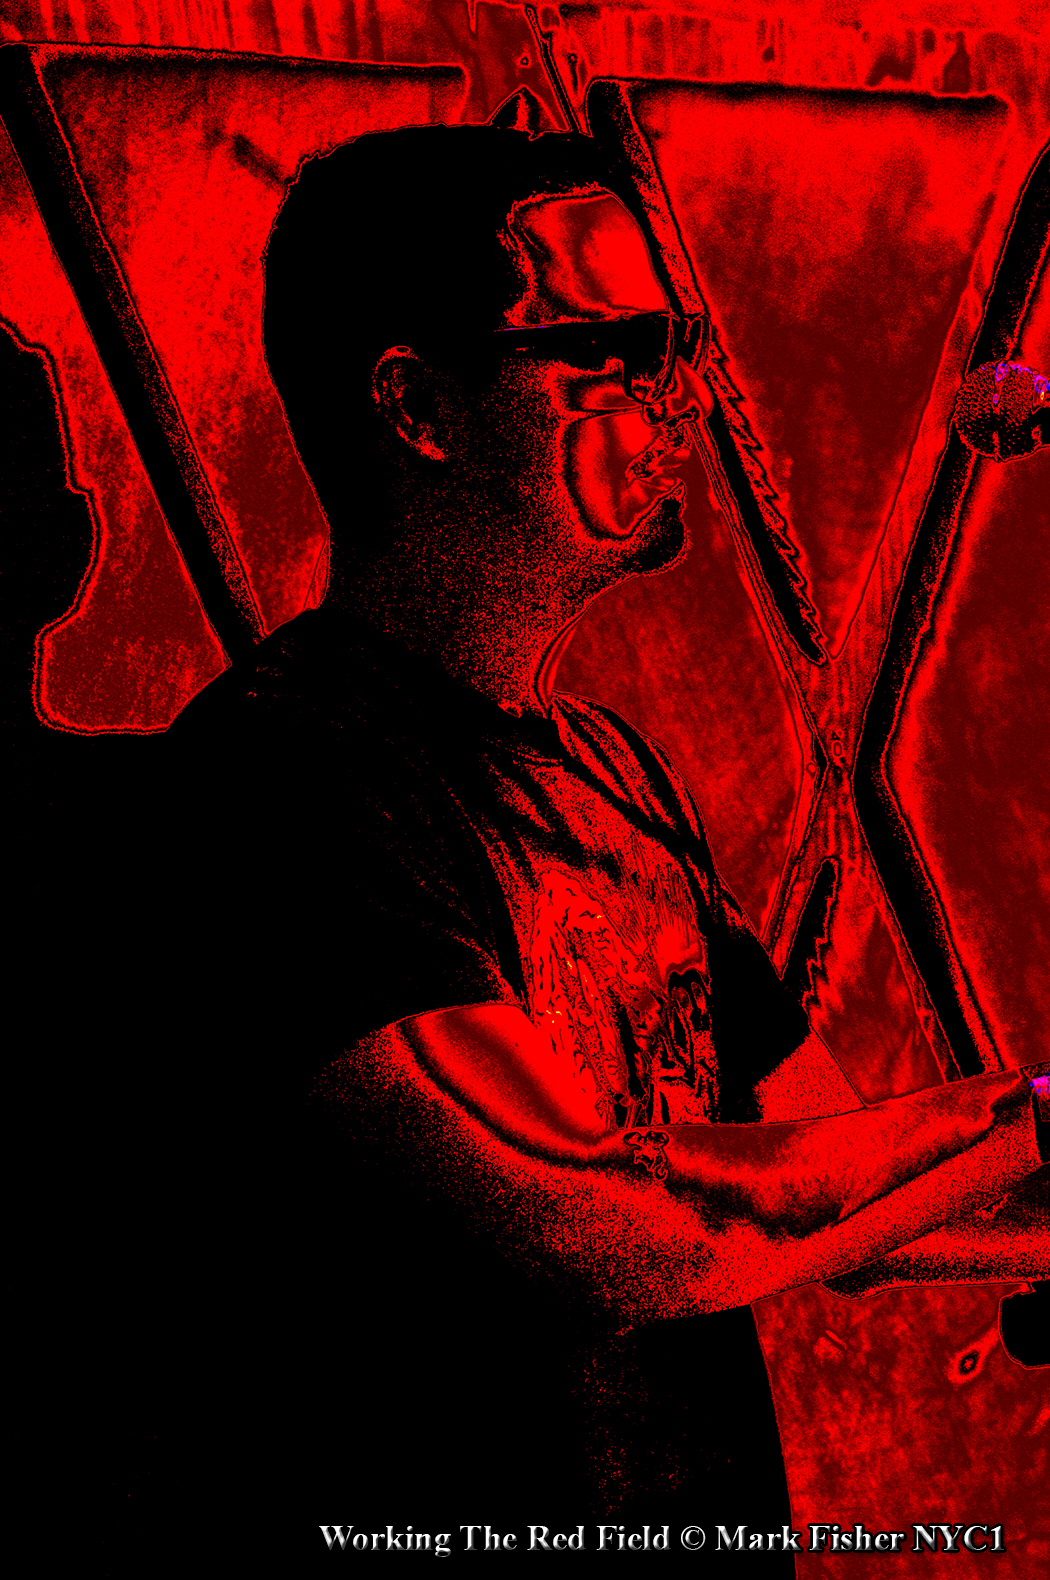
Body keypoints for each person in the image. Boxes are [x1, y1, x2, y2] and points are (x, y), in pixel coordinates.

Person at [160, 122, 1047, 1542]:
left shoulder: (612, 768)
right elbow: (611, 1226)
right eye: (610, 357)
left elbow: (830, 1191)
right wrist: (1029, 1113)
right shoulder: (285, 781)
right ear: (417, 405)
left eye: (672, 350)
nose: (673, 404)